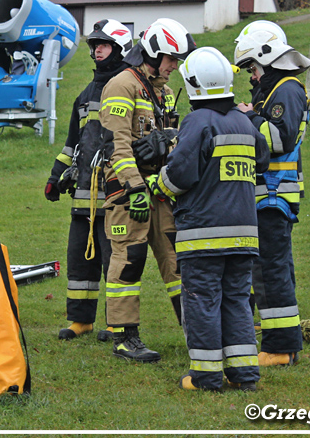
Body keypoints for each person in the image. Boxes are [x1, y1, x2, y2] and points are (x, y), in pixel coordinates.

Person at [146, 47, 269, 391]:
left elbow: (181, 175)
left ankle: (206, 376)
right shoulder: (243, 122)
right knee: (237, 301)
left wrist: (159, 183)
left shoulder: (197, 121)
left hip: (204, 236)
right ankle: (244, 375)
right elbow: (261, 160)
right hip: (244, 235)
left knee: (202, 302)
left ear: (194, 85)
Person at [98, 18, 194, 362]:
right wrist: (134, 187)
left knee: (177, 260)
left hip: (160, 190)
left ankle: (198, 331)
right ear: (153, 53)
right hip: (128, 192)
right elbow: (116, 145)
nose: (174, 67)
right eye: (171, 59)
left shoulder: (165, 92)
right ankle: (125, 337)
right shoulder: (120, 85)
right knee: (128, 261)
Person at [45, 20, 132, 342]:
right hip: (83, 197)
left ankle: (116, 322)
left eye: (104, 44)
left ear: (119, 49)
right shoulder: (85, 93)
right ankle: (80, 320)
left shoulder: (127, 86)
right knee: (80, 259)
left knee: (114, 261)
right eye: (94, 45)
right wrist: (56, 177)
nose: (97, 50)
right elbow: (72, 143)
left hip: (114, 194)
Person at [233, 23, 310, 367]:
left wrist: (246, 120)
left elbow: (278, 140)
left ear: (266, 57)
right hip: (267, 196)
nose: (252, 76)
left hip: (274, 196)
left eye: (252, 68)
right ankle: (281, 339)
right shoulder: (275, 90)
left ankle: (280, 348)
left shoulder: (286, 89)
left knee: (270, 271)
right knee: (269, 269)